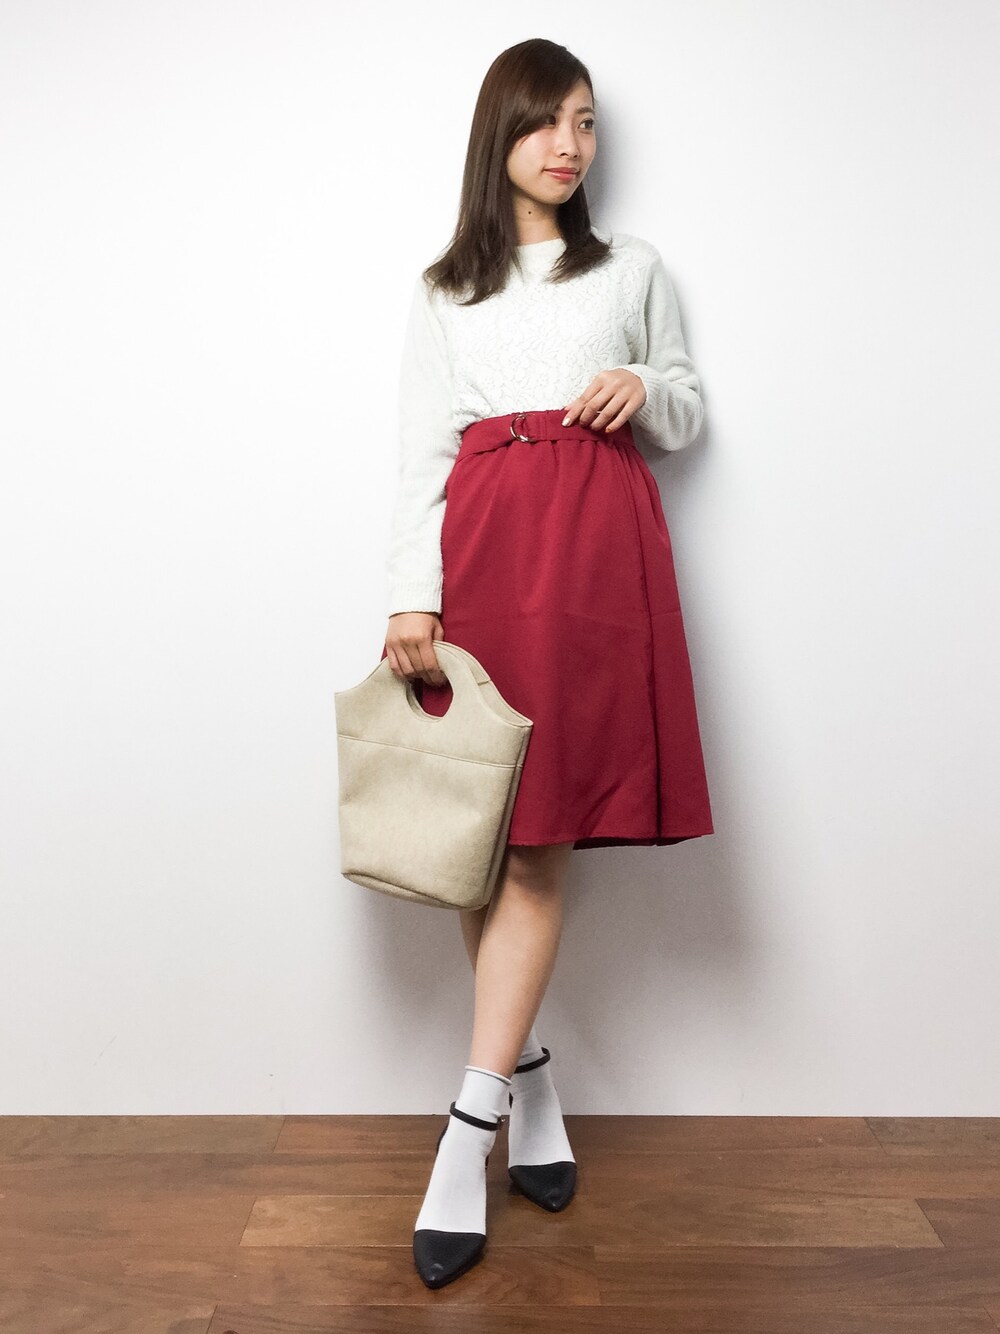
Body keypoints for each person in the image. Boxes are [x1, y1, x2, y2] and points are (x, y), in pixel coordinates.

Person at [379, 37, 715, 1288]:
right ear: (500, 135)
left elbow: (686, 405)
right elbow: (422, 453)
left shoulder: (631, 268)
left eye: (585, 121)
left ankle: (465, 1130)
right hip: (481, 558)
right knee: (481, 833)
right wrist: (411, 595)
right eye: (545, 121)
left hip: (592, 563)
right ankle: (529, 1080)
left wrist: (641, 386)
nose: (569, 144)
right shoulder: (443, 289)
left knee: (535, 840)